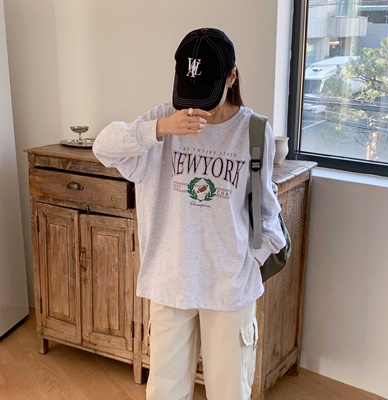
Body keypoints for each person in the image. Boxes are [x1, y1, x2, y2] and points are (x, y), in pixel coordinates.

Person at [93, 27, 286, 400]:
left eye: (207, 96)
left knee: (229, 392)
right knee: (165, 392)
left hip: (230, 285)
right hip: (171, 280)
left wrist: (254, 259)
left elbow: (267, 211)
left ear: (231, 77)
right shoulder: (163, 121)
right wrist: (160, 128)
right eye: (189, 94)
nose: (197, 108)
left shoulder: (254, 131)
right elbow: (104, 147)